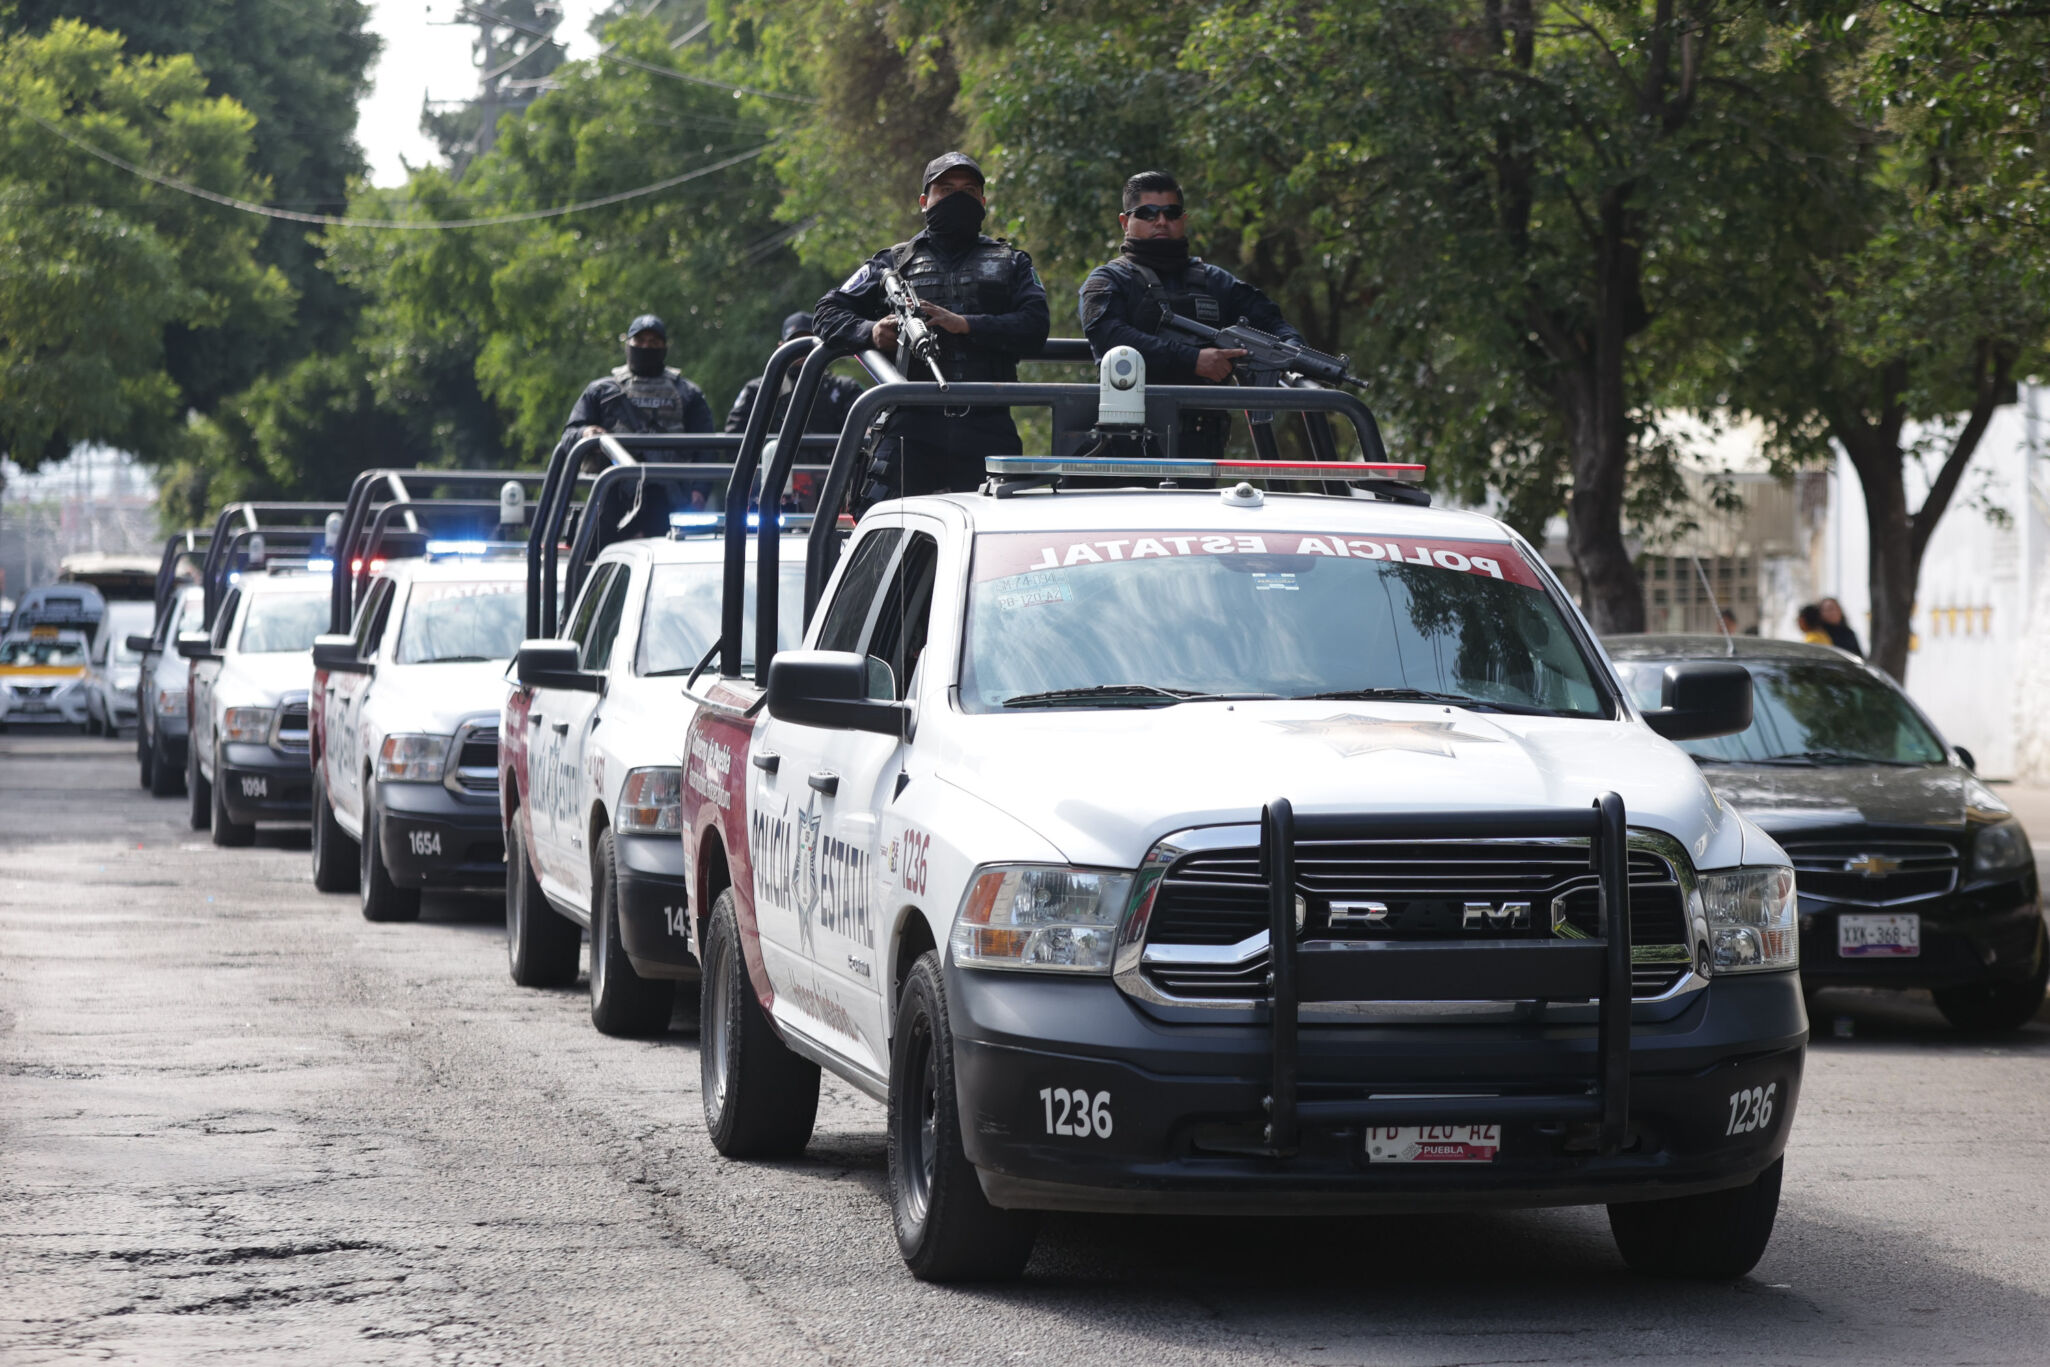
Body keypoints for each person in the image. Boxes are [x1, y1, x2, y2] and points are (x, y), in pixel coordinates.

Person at [812, 152, 1050, 502]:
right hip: (911, 424)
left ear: (983, 202)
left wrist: (965, 325)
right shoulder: (893, 263)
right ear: (925, 201)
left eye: (968, 191)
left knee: (998, 538)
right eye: (946, 190)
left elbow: (1035, 325)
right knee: (888, 536)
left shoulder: (1011, 262)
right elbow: (827, 311)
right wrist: (871, 332)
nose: (957, 199)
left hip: (986, 424)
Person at [1079, 170, 1307, 459]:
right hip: (1127, 440)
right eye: (1147, 213)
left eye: (1171, 213)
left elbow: (1272, 322)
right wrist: (1193, 360)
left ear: (1183, 220)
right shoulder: (1107, 281)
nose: (1161, 221)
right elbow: (1110, 338)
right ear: (1125, 222)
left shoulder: (1215, 281)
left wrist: (1293, 351)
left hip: (1200, 441)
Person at [560, 313, 715, 444]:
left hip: (672, 477)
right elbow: (568, 436)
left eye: (654, 342)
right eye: (639, 341)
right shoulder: (601, 391)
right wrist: (586, 433)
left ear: (664, 347)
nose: (646, 347)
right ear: (628, 344)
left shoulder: (688, 393)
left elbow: (705, 449)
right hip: (615, 478)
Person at [723, 312, 866, 437]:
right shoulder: (758, 391)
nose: (801, 352)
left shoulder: (844, 389)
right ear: (781, 347)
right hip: (773, 468)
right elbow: (735, 439)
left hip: (833, 468)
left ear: (821, 346)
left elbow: (865, 432)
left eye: (807, 344)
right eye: (795, 343)